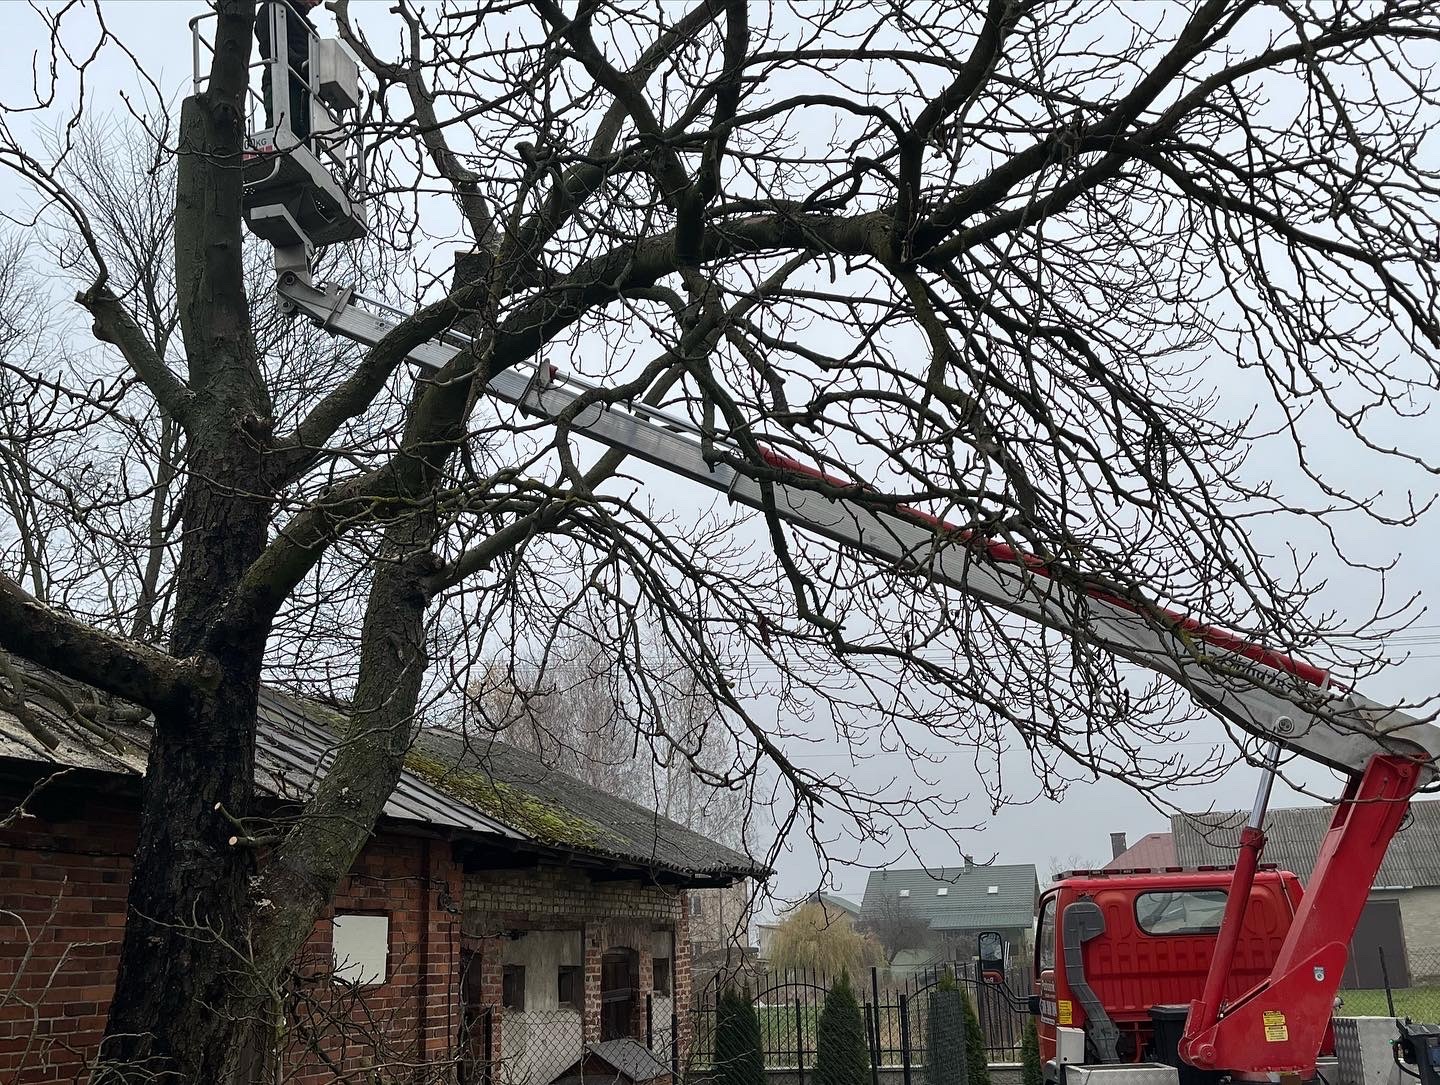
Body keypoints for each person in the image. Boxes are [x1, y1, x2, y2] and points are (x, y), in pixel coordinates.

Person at [255, 0, 322, 144]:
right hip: (282, 83)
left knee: (309, 142)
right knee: (283, 133)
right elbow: (272, 47)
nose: (316, 3)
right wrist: (300, 64)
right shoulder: (273, 8)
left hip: (308, 92)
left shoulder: (310, 30)